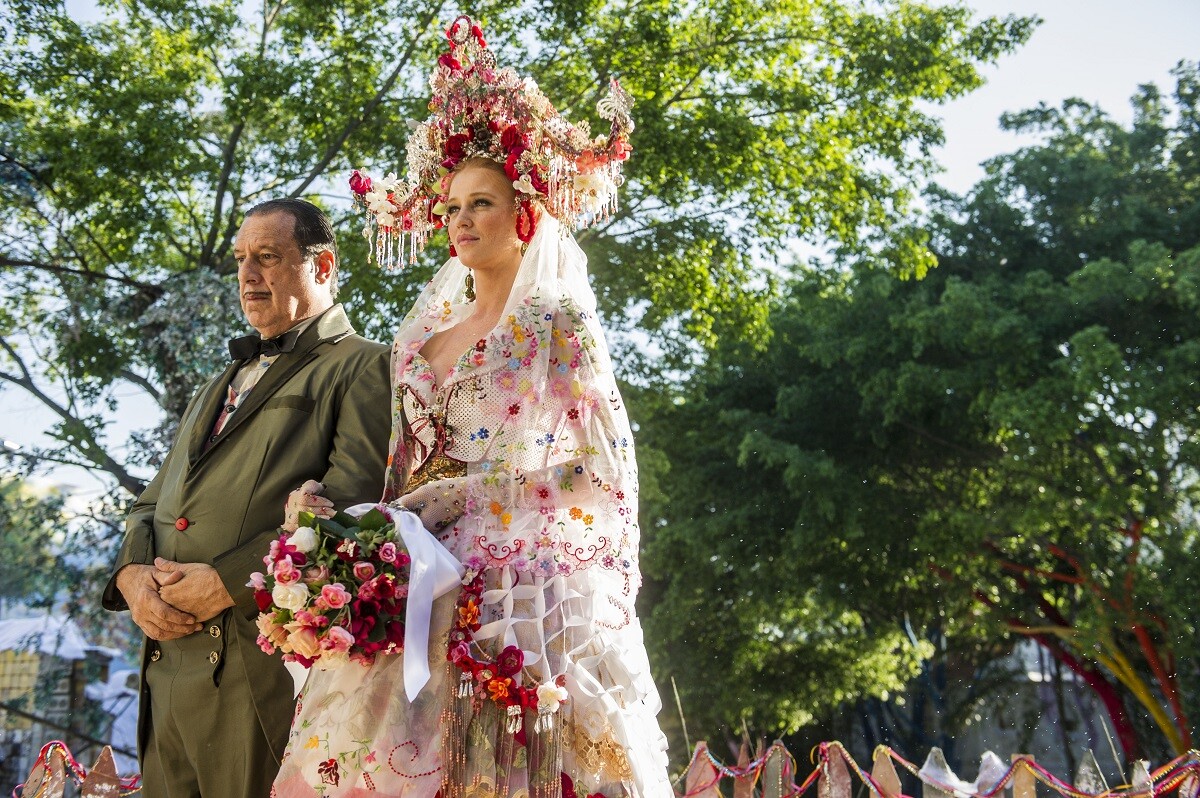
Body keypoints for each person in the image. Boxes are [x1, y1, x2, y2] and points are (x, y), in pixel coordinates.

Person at [272, 16, 673, 798]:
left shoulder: (557, 323)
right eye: (452, 205)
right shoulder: (421, 336)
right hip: (415, 580)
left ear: (526, 211)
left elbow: (603, 473)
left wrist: (474, 493)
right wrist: (337, 524)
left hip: (519, 591)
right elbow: (401, 475)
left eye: (482, 203)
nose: (461, 220)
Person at [101, 198, 393, 798]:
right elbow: (149, 505)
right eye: (241, 259)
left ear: (324, 265)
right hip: (164, 674)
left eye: (268, 257)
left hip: (259, 677)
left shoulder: (365, 366)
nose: (248, 276)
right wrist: (131, 575)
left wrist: (228, 580)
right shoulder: (217, 383)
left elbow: (355, 510)